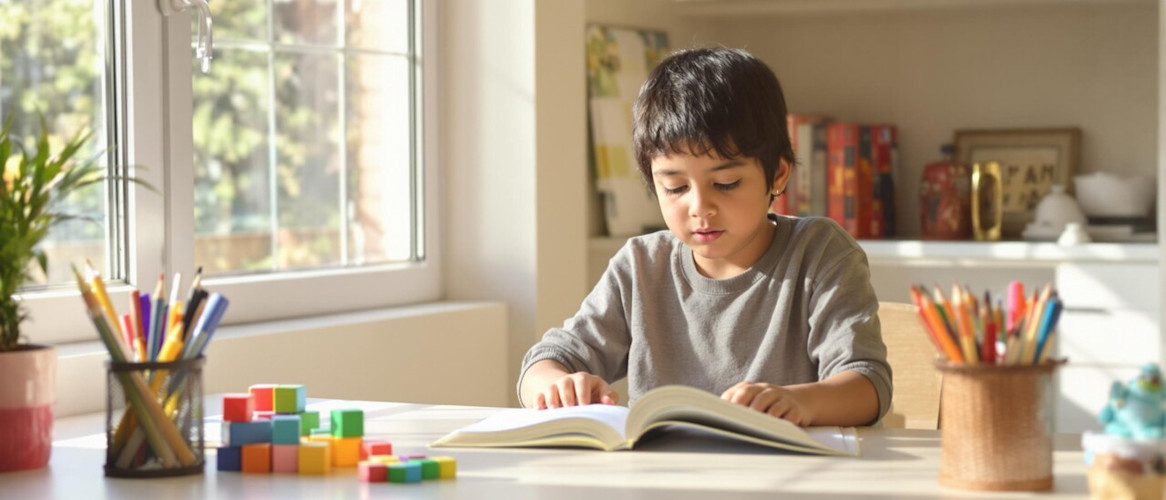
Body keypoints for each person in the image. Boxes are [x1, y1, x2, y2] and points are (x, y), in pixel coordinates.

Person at [518, 47, 891, 427]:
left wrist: (801, 402)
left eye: (725, 183)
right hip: (666, 482)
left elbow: (867, 385)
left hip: (783, 481)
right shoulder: (642, 266)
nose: (700, 207)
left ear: (778, 174)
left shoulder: (819, 253)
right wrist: (555, 386)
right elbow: (545, 361)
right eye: (676, 188)